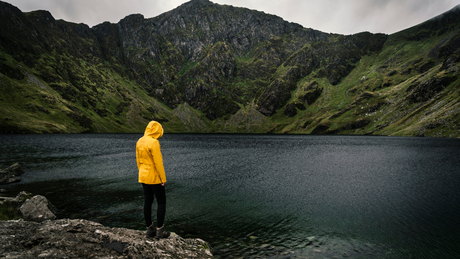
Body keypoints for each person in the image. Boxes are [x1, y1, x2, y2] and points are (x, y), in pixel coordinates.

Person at [136, 121, 170, 239]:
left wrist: (141, 172)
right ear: (157, 130)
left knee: (147, 202)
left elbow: (138, 160)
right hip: (154, 177)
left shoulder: (140, 140)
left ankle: (150, 229)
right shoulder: (154, 142)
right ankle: (160, 230)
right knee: (161, 202)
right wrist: (163, 178)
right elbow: (158, 163)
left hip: (143, 176)